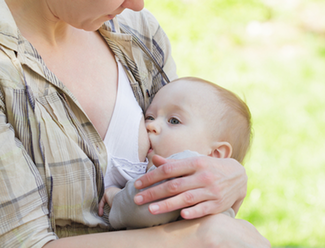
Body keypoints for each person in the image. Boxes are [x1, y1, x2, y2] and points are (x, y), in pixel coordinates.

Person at [0, 0, 270, 247]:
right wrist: (195, 237)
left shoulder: (136, 29)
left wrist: (232, 174)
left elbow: (199, 137)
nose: (137, 4)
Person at [99, 77, 251, 229]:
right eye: (149, 117)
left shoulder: (186, 170)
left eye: (174, 121)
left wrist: (114, 195)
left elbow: (139, 208)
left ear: (215, 154)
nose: (151, 125)